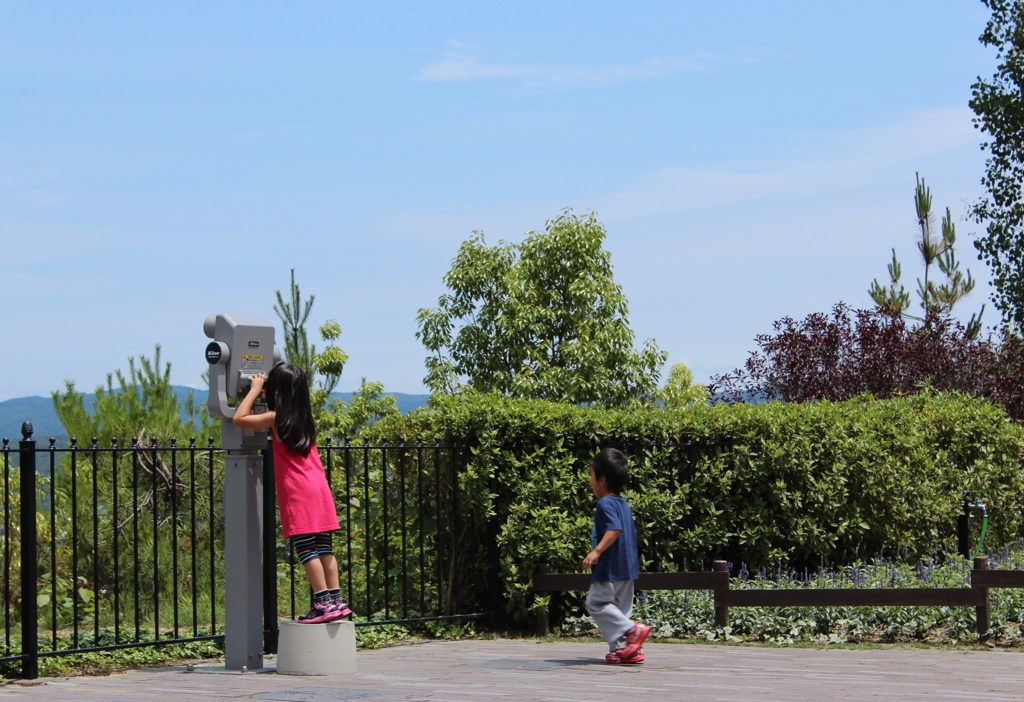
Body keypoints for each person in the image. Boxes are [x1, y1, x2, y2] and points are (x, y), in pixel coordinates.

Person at [233, 362, 353, 624]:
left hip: (298, 490)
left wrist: (253, 390)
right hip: (319, 487)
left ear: (276, 391)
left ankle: (322, 603)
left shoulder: (276, 417)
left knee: (306, 549)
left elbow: (239, 419)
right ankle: (336, 601)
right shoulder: (306, 418)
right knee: (324, 548)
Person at [582, 447, 650, 664]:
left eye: (591, 476)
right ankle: (626, 650)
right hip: (628, 570)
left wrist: (597, 551)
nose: (590, 481)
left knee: (596, 604)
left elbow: (614, 530)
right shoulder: (624, 504)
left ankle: (632, 630)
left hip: (610, 569)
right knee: (620, 611)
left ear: (602, 479)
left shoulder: (605, 504)